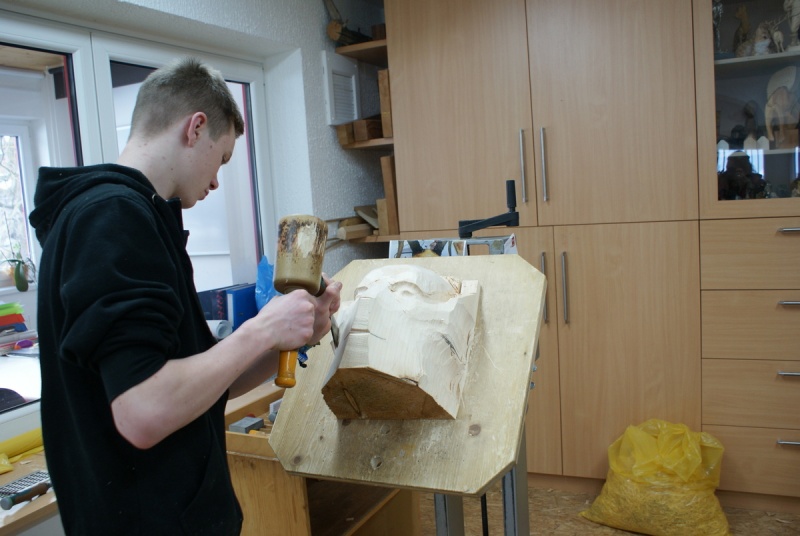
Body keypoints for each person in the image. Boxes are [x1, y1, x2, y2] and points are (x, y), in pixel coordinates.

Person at [29, 57, 342, 535]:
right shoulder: (112, 219)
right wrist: (261, 329)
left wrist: (293, 336)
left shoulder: (138, 218)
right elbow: (144, 411)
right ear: (195, 127)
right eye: (222, 159)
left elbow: (205, 385)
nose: (216, 180)